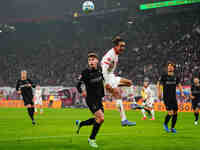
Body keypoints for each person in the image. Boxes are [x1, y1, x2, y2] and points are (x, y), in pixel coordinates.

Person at [101, 36, 136, 126]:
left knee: (129, 83)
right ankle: (124, 119)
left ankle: (133, 104)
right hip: (106, 78)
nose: (123, 48)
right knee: (118, 95)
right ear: (116, 46)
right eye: (121, 46)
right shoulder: (110, 55)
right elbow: (103, 69)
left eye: (124, 46)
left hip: (111, 76)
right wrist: (107, 83)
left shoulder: (116, 55)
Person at [76, 52, 104, 148]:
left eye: (93, 60)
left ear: (97, 61)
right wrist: (81, 91)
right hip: (91, 99)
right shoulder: (85, 72)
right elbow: (78, 85)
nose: (91, 62)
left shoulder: (100, 69)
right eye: (89, 60)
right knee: (101, 118)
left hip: (99, 98)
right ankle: (91, 139)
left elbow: (103, 81)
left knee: (99, 120)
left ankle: (81, 123)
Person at [157, 62, 184, 133]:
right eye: (168, 66)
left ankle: (172, 128)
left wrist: (182, 92)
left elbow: (179, 85)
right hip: (166, 97)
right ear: (167, 68)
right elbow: (158, 84)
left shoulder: (176, 76)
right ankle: (165, 124)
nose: (169, 67)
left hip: (173, 97)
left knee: (175, 113)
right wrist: (159, 92)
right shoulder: (164, 76)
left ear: (173, 68)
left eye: (171, 66)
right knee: (170, 113)